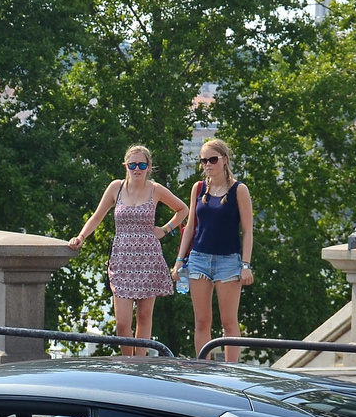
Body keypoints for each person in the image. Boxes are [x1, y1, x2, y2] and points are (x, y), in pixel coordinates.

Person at [68, 145, 188, 355]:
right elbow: (97, 216)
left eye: (142, 164)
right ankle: (127, 360)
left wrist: (165, 229)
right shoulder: (116, 187)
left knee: (144, 317)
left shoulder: (155, 189)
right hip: (122, 259)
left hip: (148, 258)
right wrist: (81, 236)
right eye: (132, 164)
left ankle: (138, 366)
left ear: (148, 167)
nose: (137, 169)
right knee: (122, 323)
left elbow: (183, 209)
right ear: (126, 166)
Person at [174, 138, 255, 362]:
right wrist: (180, 260)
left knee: (229, 322)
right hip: (199, 258)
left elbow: (248, 231)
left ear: (224, 160)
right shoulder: (199, 188)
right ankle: (204, 369)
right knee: (201, 321)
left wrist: (246, 265)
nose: (208, 164)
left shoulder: (239, 190)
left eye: (212, 159)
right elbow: (191, 226)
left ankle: (231, 372)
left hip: (228, 261)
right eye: (203, 161)